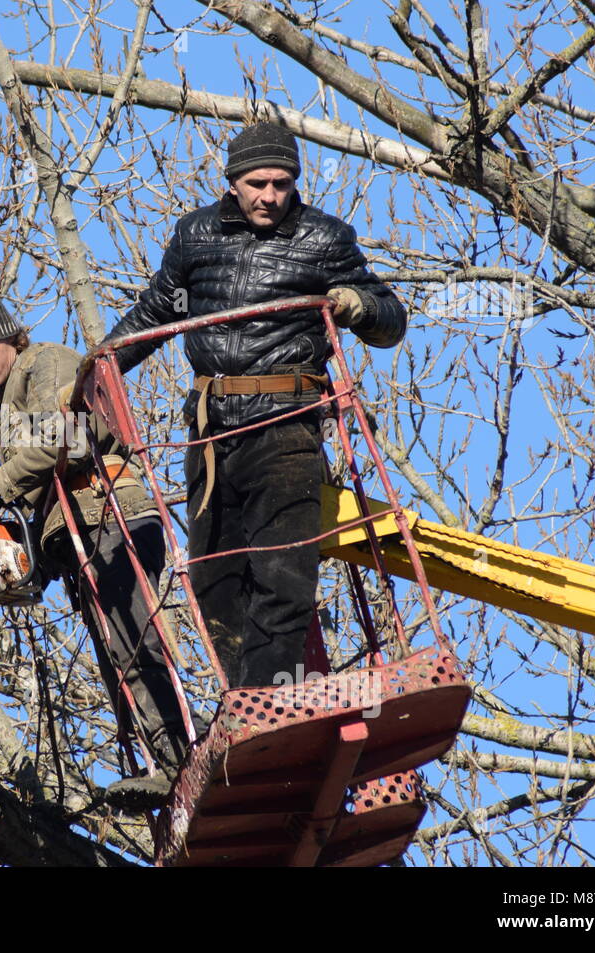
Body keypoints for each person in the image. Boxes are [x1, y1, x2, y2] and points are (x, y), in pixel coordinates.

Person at [102, 122, 407, 691]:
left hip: (285, 425)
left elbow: (391, 319)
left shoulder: (325, 239)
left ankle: (269, 700)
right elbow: (155, 315)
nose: (270, 195)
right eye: (258, 183)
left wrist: (354, 303)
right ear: (233, 183)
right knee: (213, 577)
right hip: (211, 434)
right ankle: (244, 698)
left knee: (282, 570)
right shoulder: (196, 236)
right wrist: (98, 370)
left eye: (282, 183)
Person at [0, 289, 191, 807]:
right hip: (80, 532)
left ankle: (182, 763)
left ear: (9, 335)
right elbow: (45, 493)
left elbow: (66, 440)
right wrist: (18, 560)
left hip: (110, 513)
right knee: (115, 662)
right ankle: (165, 769)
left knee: (131, 642)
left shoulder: (45, 363)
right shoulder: (9, 396)